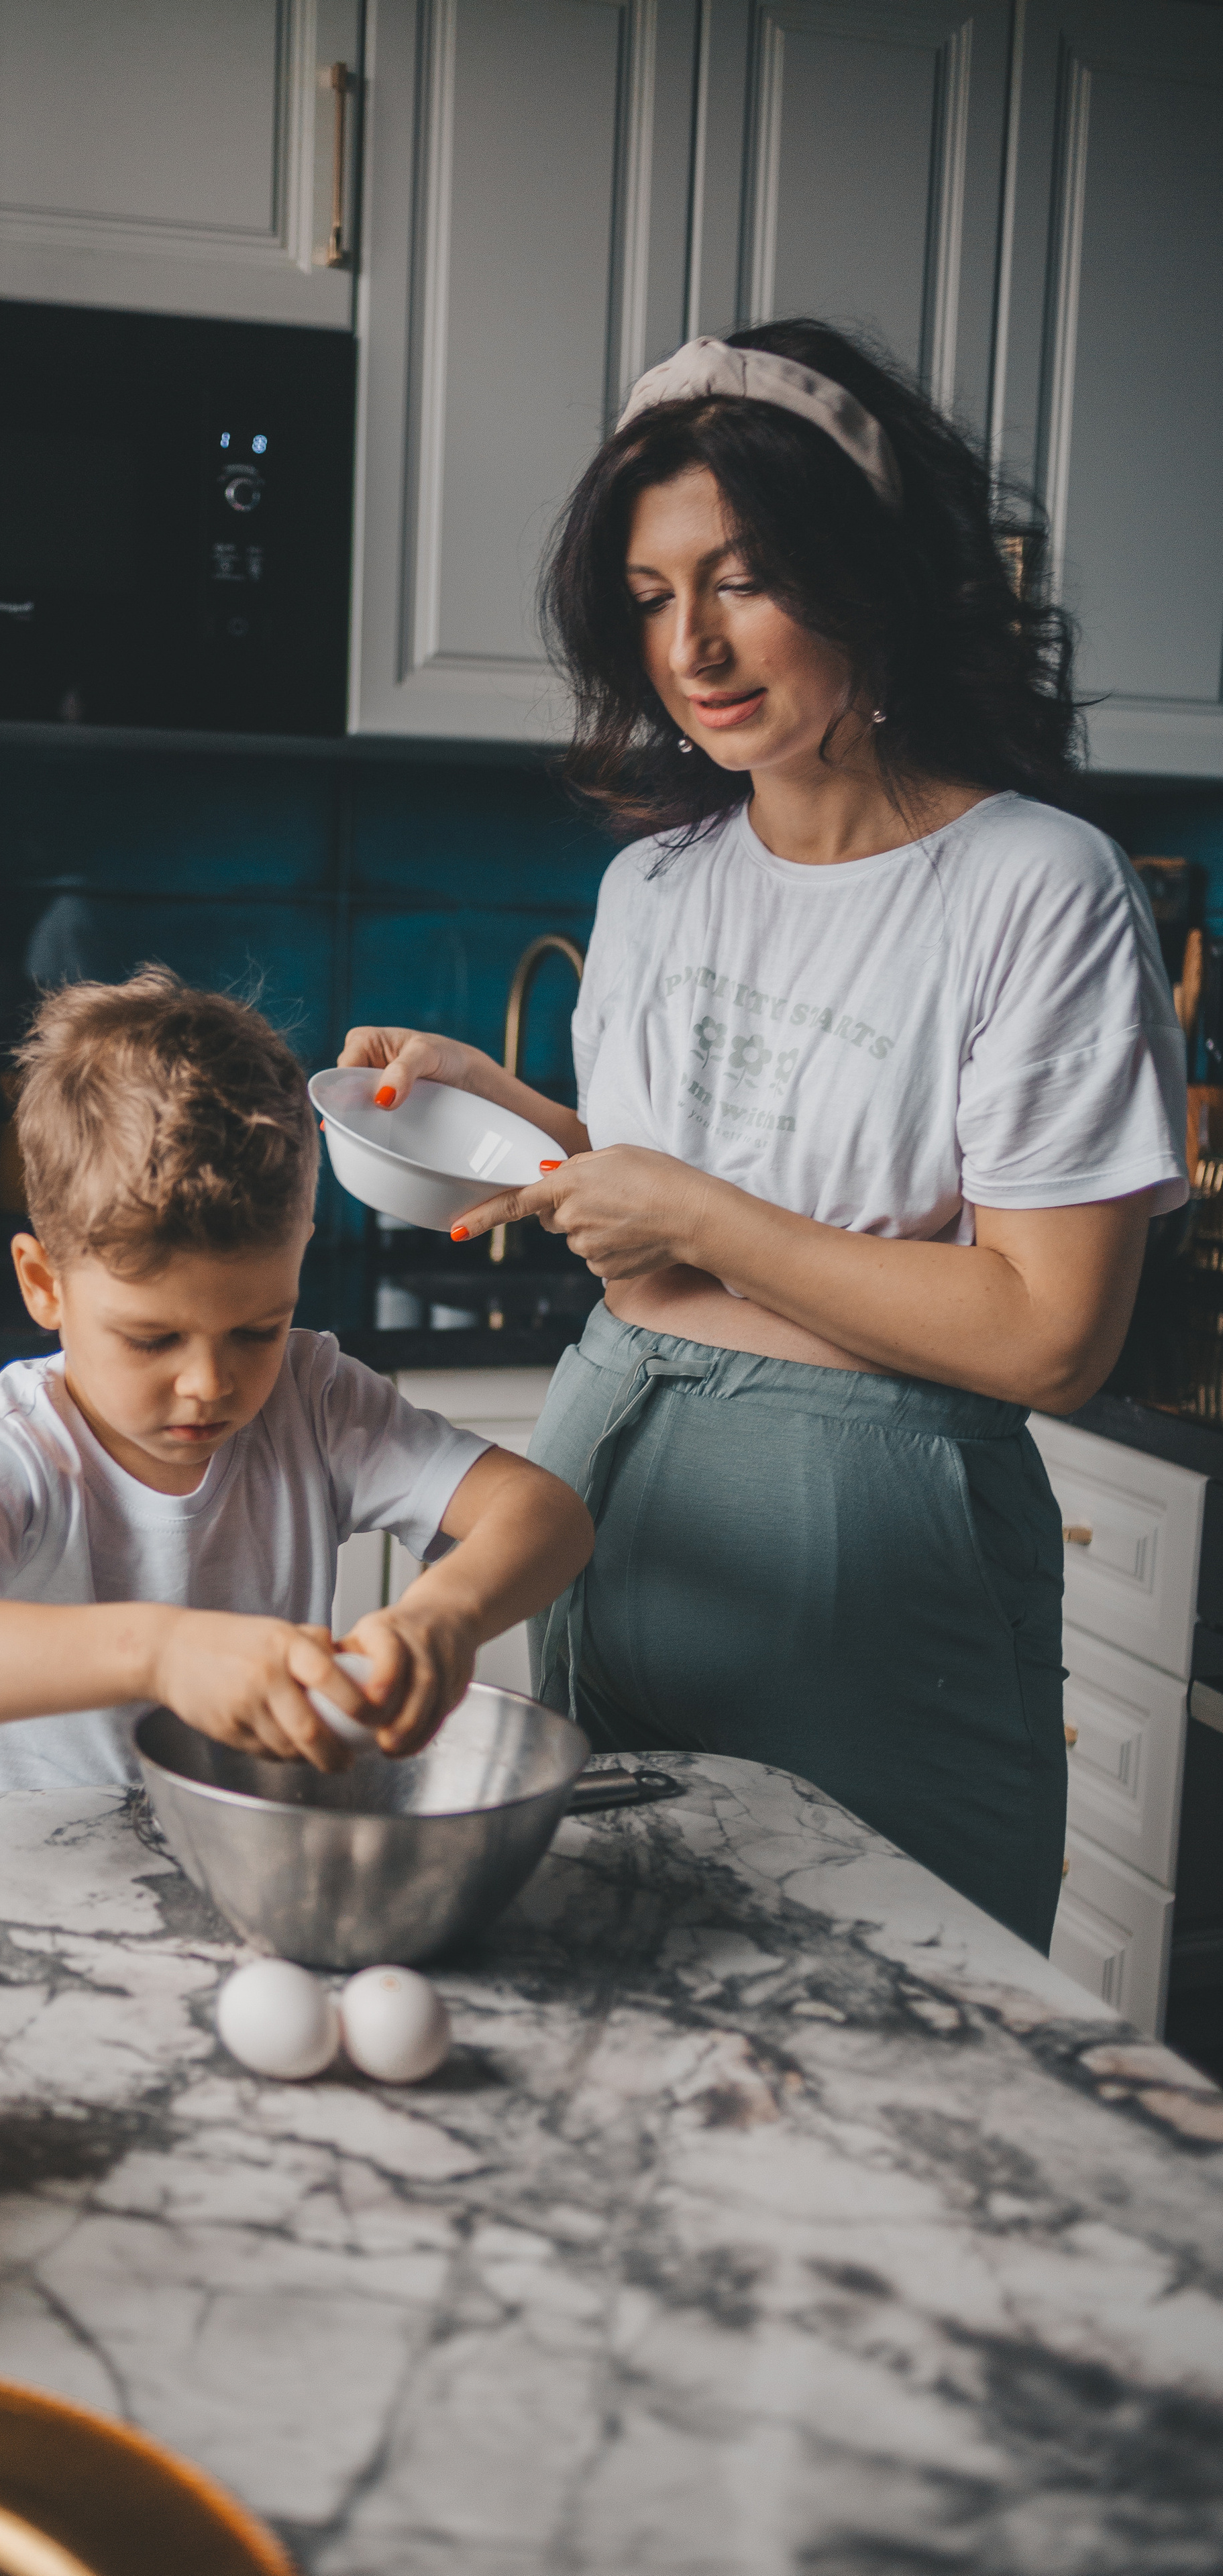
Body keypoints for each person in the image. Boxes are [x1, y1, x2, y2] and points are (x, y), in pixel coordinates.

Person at [340, 323, 1186, 1950]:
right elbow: (704, 1172)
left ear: (866, 580)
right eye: (652, 598)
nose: (692, 647)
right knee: (613, 1967)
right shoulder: (654, 881)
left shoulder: (1034, 885)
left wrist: (696, 1220)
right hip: (601, 1464)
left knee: (898, 1989)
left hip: (863, 1528)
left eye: (740, 578)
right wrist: (515, 1123)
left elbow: (1046, 1329)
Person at [0, 970, 592, 1788]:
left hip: (255, 1849)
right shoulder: (17, 1451)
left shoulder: (313, 1399)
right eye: (151, 1339)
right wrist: (160, 1652)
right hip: (52, 1874)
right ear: (45, 1285)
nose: (208, 1383)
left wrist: (444, 1619)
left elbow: (547, 1516)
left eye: (257, 1331)